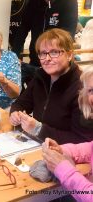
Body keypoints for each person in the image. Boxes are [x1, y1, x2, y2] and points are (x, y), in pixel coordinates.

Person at [9, 28, 93, 144]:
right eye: (43, 53)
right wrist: (15, 113)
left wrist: (38, 129)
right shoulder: (41, 77)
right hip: (37, 144)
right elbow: (20, 104)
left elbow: (82, 140)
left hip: (65, 154)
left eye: (54, 52)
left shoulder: (82, 88)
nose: (47, 59)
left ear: (69, 55)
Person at [12, 0, 78, 87]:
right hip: (35, 61)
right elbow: (23, 28)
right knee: (31, 97)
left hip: (57, 63)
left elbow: (68, 34)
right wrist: (14, 55)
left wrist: (51, 55)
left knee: (52, 101)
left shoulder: (69, 0)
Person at [42, 66, 93, 201]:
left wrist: (62, 168)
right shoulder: (40, 77)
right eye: (91, 90)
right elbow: (91, 148)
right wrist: (63, 150)